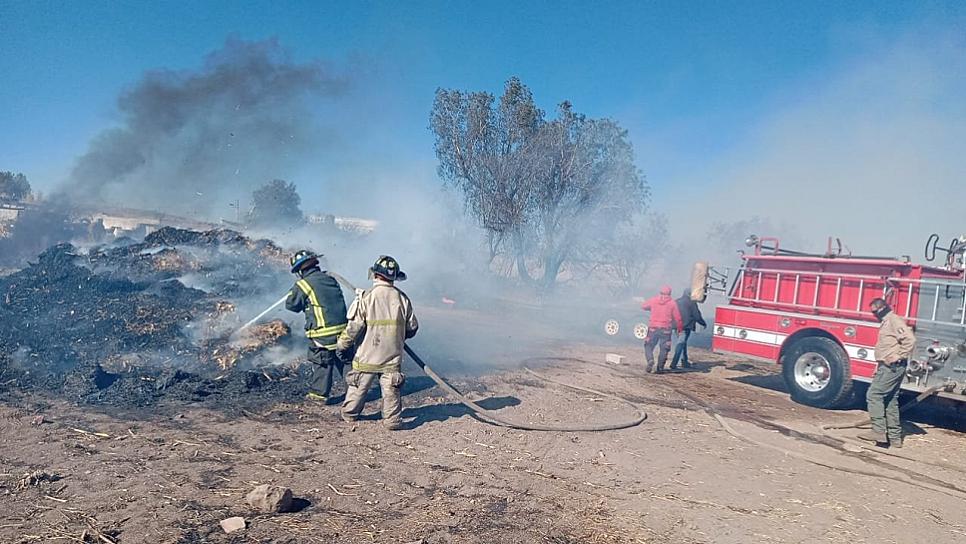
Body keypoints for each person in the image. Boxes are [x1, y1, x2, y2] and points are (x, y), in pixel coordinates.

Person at [337, 255, 418, 430]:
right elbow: (412, 327)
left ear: (375, 275)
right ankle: (392, 421)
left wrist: (342, 344)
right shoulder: (403, 299)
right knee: (391, 391)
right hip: (392, 357)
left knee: (358, 386)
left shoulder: (367, 297)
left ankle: (350, 414)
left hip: (367, 355)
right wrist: (397, 336)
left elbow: (354, 327)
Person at [285, 250, 349, 404]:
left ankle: (319, 396)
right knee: (345, 362)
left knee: (322, 362)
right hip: (344, 331)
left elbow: (291, 305)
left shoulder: (303, 284)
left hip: (323, 333)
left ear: (300, 270)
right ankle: (356, 393)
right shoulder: (330, 278)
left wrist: (293, 292)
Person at [857, 298, 915, 448]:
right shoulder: (887, 322)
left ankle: (878, 431)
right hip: (888, 366)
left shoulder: (893, 321)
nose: (874, 315)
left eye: (875, 311)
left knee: (874, 395)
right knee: (890, 400)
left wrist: (899, 355)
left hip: (893, 366)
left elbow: (910, 340)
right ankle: (895, 438)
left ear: (881, 308)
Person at [640, 285, 683, 374]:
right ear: (670, 293)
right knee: (664, 349)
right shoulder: (672, 303)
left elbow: (643, 306)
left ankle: (650, 360)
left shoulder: (654, 300)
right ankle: (660, 368)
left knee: (648, 345)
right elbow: (678, 318)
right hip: (666, 329)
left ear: (660, 292)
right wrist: (679, 329)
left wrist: (651, 308)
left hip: (653, 328)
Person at [670, 288, 707, 370]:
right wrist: (703, 323)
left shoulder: (676, 301)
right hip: (685, 326)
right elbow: (696, 315)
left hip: (676, 326)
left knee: (683, 343)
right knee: (681, 344)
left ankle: (684, 361)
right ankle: (674, 363)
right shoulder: (691, 303)